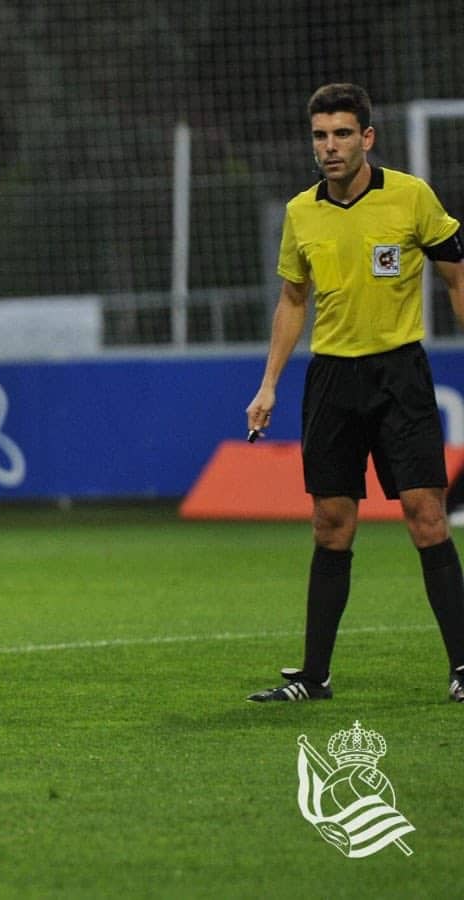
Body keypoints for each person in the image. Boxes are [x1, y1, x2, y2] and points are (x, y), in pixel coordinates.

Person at [245, 83, 464, 703]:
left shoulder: (410, 197)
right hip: (333, 380)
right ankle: (314, 678)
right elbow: (293, 299)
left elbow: (455, 271)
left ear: (367, 137)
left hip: (400, 375)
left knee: (426, 516)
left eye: (342, 133)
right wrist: (268, 386)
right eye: (320, 135)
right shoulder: (301, 213)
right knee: (330, 524)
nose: (330, 146)